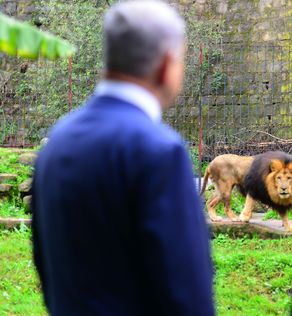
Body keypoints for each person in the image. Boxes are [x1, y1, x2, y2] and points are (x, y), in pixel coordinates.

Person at [31, 1, 214, 315]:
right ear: (167, 64)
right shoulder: (160, 151)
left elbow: (45, 262)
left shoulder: (57, 141)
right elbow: (187, 291)